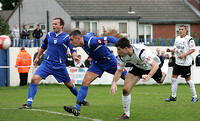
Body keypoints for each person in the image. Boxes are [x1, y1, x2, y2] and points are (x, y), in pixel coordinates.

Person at [19, 18, 89, 109]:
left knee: (69, 85)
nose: (53, 25)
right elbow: (43, 47)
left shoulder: (66, 37)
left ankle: (81, 99)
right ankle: (29, 103)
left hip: (59, 66)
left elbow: (73, 49)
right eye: (53, 24)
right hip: (47, 63)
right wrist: (37, 57)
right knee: (34, 79)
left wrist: (75, 56)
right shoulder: (49, 35)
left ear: (61, 26)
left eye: (56, 24)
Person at [64, 30, 127, 116]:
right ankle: (77, 108)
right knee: (85, 82)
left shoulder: (92, 41)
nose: (70, 42)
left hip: (109, 61)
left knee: (129, 79)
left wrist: (126, 46)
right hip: (97, 64)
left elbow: (109, 38)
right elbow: (90, 34)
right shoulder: (81, 41)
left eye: (71, 40)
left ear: (78, 38)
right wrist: (75, 56)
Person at [110, 37, 169, 120]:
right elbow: (119, 71)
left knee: (161, 80)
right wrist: (113, 82)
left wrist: (149, 76)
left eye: (119, 49)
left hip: (151, 67)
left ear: (126, 48)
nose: (117, 52)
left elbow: (154, 66)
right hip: (137, 67)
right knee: (126, 89)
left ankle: (166, 61)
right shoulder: (121, 56)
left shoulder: (142, 52)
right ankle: (126, 114)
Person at [165, 25, 198, 103]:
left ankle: (195, 97)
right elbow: (175, 48)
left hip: (186, 63)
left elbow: (193, 49)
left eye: (182, 29)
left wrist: (183, 55)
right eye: (179, 29)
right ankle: (173, 96)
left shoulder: (189, 39)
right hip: (177, 62)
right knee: (173, 77)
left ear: (185, 31)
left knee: (188, 79)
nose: (180, 31)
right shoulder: (177, 39)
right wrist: (170, 50)